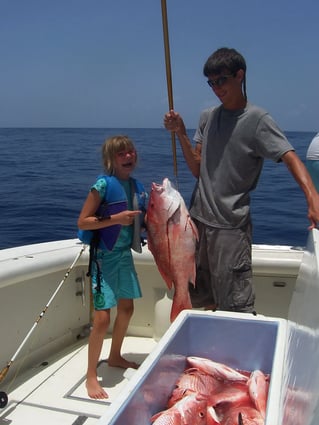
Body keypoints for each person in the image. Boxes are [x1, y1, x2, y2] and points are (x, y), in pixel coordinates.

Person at [164, 47, 319, 314]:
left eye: (221, 80)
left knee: (236, 306)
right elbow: (197, 170)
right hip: (198, 223)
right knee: (202, 297)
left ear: (240, 75)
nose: (216, 88)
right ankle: (210, 348)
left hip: (230, 230)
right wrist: (180, 133)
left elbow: (291, 157)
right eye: (211, 82)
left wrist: (313, 198)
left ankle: (234, 351)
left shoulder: (258, 120)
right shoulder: (207, 118)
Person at [77, 135, 147, 399]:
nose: (128, 156)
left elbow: (145, 221)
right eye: (121, 154)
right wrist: (114, 219)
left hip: (124, 257)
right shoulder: (103, 185)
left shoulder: (138, 187)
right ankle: (91, 375)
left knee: (127, 308)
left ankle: (115, 356)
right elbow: (83, 222)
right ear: (111, 160)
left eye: (131, 152)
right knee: (102, 318)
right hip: (102, 259)